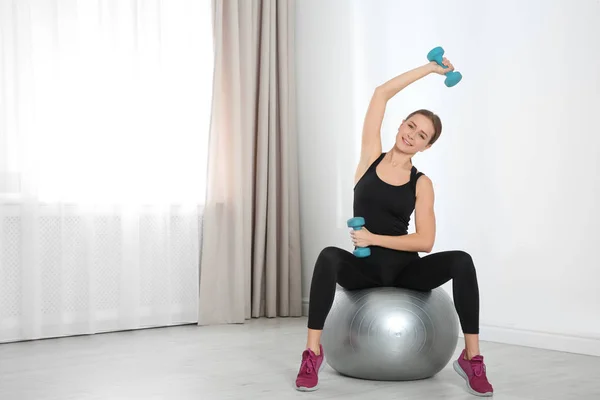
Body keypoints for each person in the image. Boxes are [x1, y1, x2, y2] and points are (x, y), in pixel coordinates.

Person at [294, 57, 494, 397]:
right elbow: (381, 94)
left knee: (462, 260)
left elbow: (426, 241)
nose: (412, 135)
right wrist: (430, 70)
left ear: (427, 146)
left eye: (422, 135)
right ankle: (312, 353)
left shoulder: (422, 182)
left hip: (405, 271)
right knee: (328, 256)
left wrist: (373, 236)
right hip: (364, 269)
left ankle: (472, 357)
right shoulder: (370, 157)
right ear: (401, 124)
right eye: (411, 126)